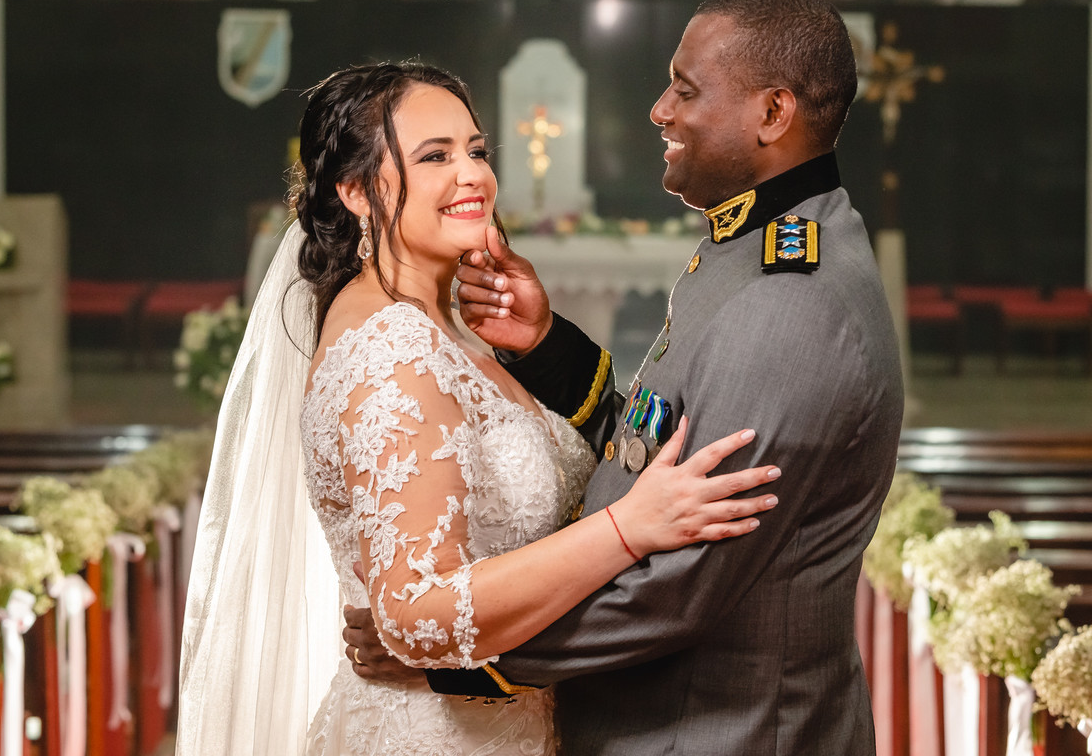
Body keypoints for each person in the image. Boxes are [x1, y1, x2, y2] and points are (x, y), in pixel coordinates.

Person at [344, 0, 904, 756]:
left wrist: (456, 653)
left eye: (686, 90)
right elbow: (657, 453)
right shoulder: (750, 246)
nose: (659, 110)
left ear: (773, 113)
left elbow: (679, 586)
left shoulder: (789, 301)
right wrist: (545, 345)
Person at [176, 61, 780, 756]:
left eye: (476, 150)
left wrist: (542, 343)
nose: (473, 176)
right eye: (435, 157)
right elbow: (414, 617)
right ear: (356, 191)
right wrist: (628, 528)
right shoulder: (393, 349)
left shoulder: (443, 333)